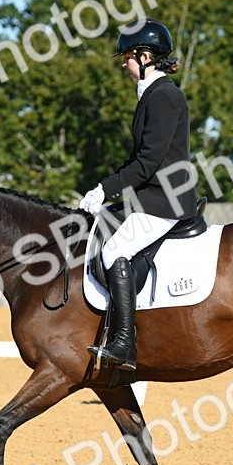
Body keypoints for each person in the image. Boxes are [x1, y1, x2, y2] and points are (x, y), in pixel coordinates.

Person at [77, 19, 199, 370]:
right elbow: (137, 159)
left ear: (145, 57)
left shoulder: (163, 97)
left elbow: (147, 163)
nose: (124, 65)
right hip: (152, 196)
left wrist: (106, 188)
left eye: (127, 58)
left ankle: (125, 343)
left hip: (164, 201)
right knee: (102, 225)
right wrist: (106, 190)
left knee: (115, 250)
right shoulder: (152, 96)